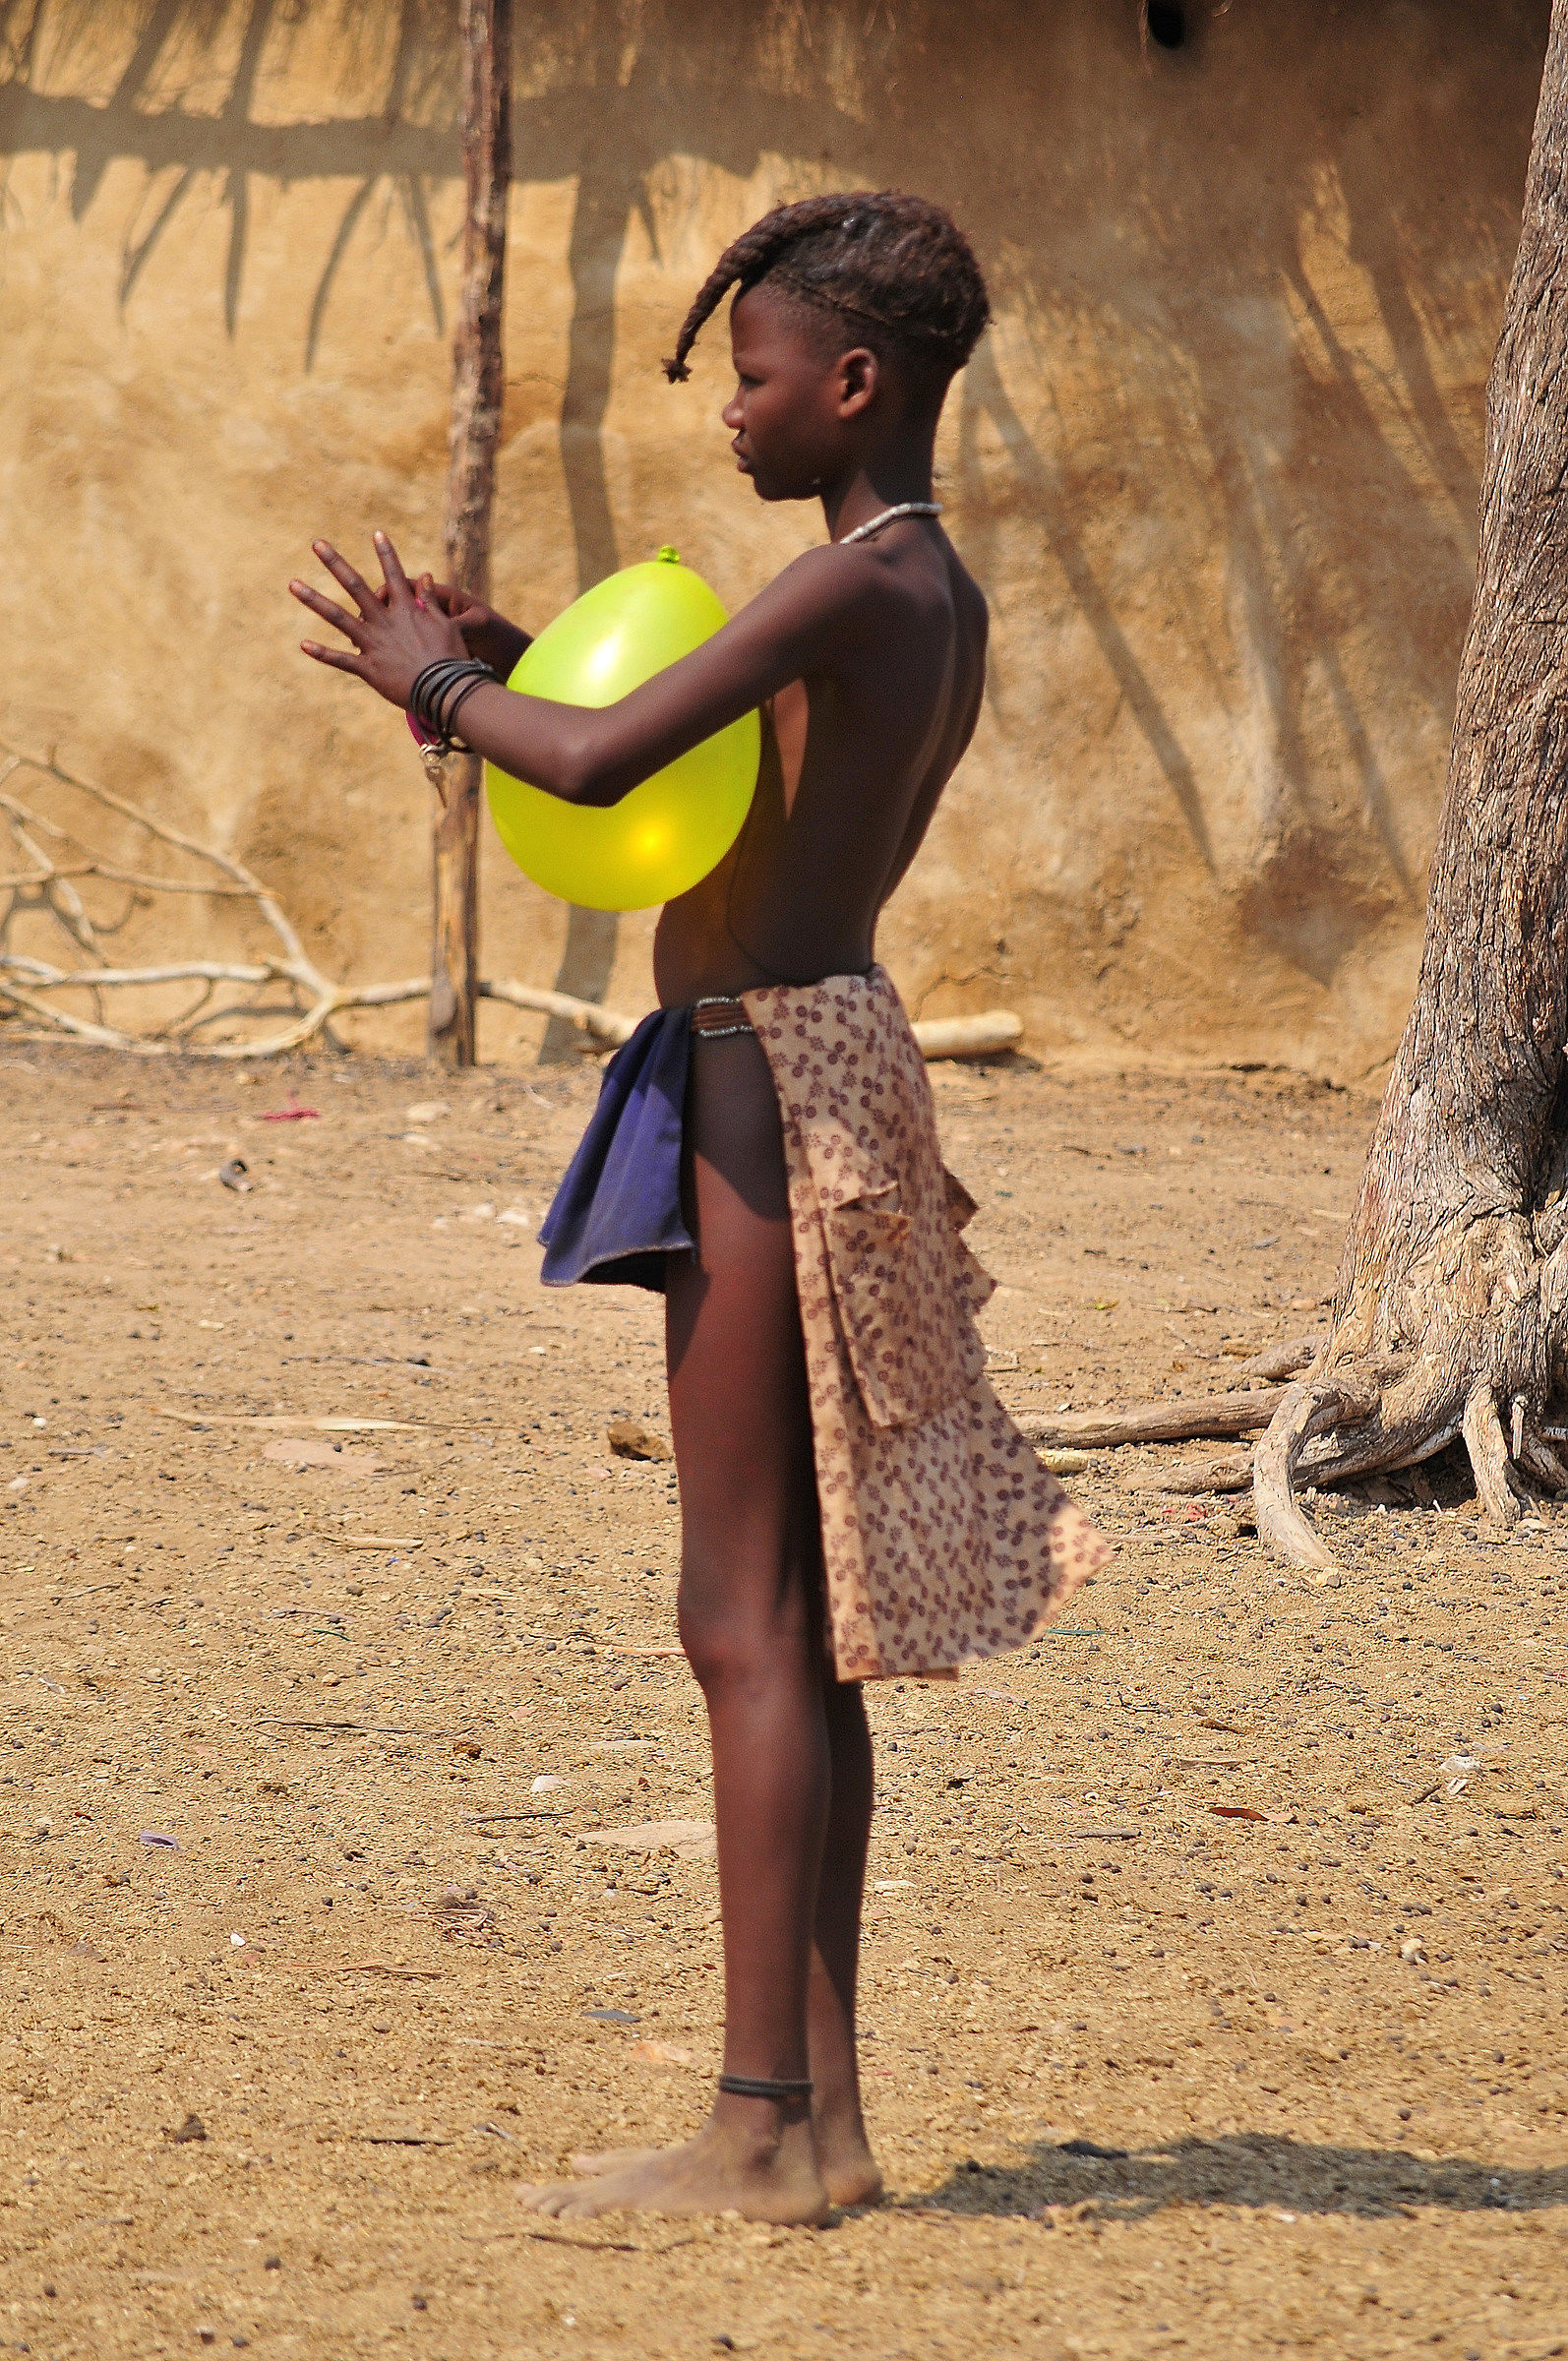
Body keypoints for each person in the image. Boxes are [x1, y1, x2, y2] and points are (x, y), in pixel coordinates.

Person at [290, 190, 1109, 2226]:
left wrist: (433, 684)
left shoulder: (845, 588)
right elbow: (705, 756)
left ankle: (752, 2128)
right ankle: (815, 2125)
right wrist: (507, 655)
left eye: (750, 378)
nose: (728, 414)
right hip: (822, 1052)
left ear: (853, 384)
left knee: (737, 1613)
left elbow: (593, 764)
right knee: (800, 1629)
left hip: (760, 1083)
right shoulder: (927, 591)